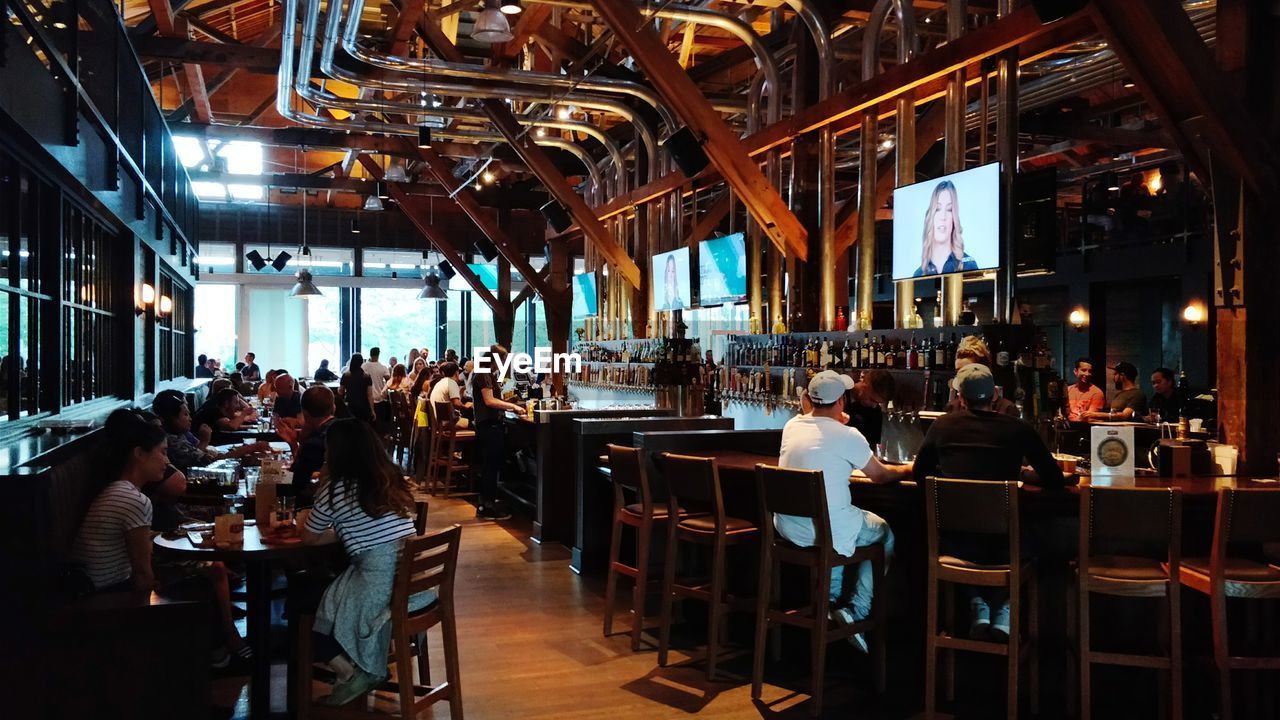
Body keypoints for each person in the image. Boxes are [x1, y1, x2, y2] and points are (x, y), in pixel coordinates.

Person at [72, 410, 251, 668]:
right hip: (108, 593)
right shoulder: (133, 499)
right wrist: (157, 610)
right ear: (139, 454)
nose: (167, 462)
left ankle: (219, 648)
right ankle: (215, 654)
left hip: (101, 585)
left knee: (208, 569)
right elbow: (143, 576)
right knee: (206, 574)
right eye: (162, 452)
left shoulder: (118, 489)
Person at [913, 364, 1066, 641]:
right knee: (1044, 543)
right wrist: (1022, 474)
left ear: (961, 397)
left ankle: (977, 603)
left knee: (962, 544)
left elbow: (919, 474)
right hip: (1006, 546)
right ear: (994, 395)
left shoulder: (942, 425)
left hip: (953, 544)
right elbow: (1054, 478)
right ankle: (1004, 606)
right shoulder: (1018, 428)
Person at [299, 419, 433, 705]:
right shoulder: (388, 478)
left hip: (378, 584)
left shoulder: (334, 489)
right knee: (329, 598)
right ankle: (358, 670)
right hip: (412, 584)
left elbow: (309, 537)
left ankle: (353, 673)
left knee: (313, 615)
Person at [776, 371, 912, 652]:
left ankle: (827, 606)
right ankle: (856, 610)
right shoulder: (849, 434)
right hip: (826, 530)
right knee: (883, 533)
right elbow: (881, 476)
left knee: (836, 529)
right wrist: (911, 468)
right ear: (840, 400)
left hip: (788, 528)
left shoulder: (791, 427)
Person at [470, 345, 527, 520]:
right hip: (489, 426)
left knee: (491, 466)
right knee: (491, 467)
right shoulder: (484, 374)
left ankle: (487, 503)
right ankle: (488, 506)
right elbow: (488, 400)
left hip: (487, 425)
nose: (503, 364)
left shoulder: (484, 373)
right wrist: (512, 406)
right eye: (502, 360)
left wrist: (509, 401)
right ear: (495, 359)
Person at [155, 392, 269, 475]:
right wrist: (251, 448)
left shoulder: (179, 435)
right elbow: (212, 462)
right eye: (185, 415)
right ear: (171, 418)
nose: (190, 419)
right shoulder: (172, 442)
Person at [803, 369, 896, 448]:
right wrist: (814, 423)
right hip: (824, 448)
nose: (874, 406)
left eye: (878, 403)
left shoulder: (875, 412)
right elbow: (806, 395)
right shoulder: (839, 391)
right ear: (865, 385)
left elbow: (871, 447)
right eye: (872, 400)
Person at [912, 180, 979, 277]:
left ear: (954, 218)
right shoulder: (919, 274)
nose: (943, 216)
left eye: (949, 210)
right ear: (930, 216)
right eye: (938, 209)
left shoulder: (969, 265)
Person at [944, 336, 1019, 418]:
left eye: (967, 371)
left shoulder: (1007, 409)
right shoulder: (952, 408)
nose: (961, 377)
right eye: (958, 371)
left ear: (984, 370)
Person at [290, 386, 337, 506]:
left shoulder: (314, 443)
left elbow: (297, 483)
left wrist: (296, 445)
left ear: (305, 414)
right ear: (333, 408)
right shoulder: (350, 429)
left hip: (324, 504)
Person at [429, 362, 472, 429]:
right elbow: (456, 404)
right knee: (477, 425)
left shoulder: (440, 382)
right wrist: (466, 406)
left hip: (437, 421)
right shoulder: (452, 383)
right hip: (448, 422)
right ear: (456, 373)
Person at [340, 353, 376, 423]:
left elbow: (341, 391)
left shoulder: (346, 375)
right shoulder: (366, 376)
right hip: (364, 406)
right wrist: (372, 410)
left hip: (350, 406)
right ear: (361, 362)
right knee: (363, 427)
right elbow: (370, 395)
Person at [1066, 357, 1105, 422]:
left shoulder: (1097, 393)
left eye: (1090, 371)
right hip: (1067, 428)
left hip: (1085, 428)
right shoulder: (1068, 390)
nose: (1087, 374)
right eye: (1084, 370)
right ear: (1076, 371)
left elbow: (1089, 418)